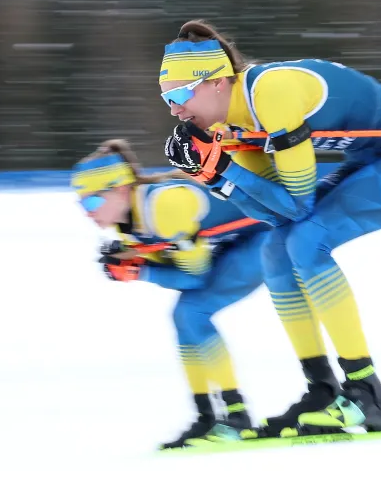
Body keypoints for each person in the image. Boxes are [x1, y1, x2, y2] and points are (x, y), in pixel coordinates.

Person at [157, 19, 381, 438]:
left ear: (217, 83)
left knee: (309, 240)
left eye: (177, 94)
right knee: (276, 249)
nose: (174, 109)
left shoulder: (271, 93)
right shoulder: (231, 127)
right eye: (166, 98)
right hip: (372, 160)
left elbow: (297, 205)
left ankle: (365, 393)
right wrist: (217, 177)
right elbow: (276, 215)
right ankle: (322, 390)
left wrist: (224, 168)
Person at [71, 138, 270, 449]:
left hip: (266, 236)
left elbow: (195, 277)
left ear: (121, 189)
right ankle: (207, 416)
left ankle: (236, 417)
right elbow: (179, 266)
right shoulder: (127, 222)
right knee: (184, 316)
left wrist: (139, 269)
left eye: (92, 202)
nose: (87, 212)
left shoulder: (163, 207)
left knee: (191, 311)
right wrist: (136, 257)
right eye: (80, 203)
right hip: (237, 240)